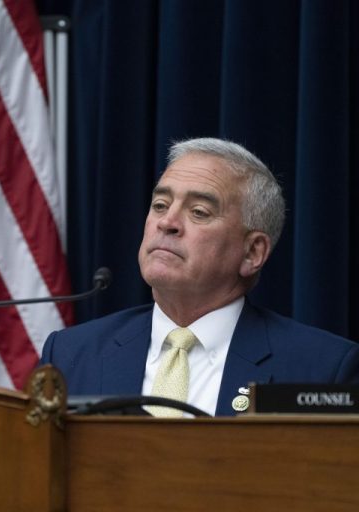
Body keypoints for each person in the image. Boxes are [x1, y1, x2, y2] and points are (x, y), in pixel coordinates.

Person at [41, 137, 359, 416]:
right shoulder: (71, 354)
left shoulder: (323, 368)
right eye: (160, 204)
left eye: (199, 213)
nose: (167, 222)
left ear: (252, 253)